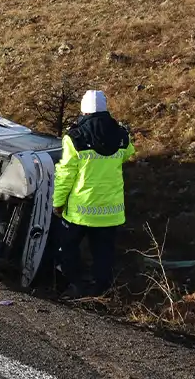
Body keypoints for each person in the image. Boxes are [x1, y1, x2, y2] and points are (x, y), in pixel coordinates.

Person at [53, 89, 136, 298]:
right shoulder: (121, 136)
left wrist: (58, 203)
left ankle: (76, 286)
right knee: (103, 253)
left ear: (84, 110)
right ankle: (101, 291)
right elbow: (129, 153)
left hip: (80, 210)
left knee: (69, 247)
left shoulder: (74, 138)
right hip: (110, 211)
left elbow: (65, 174)